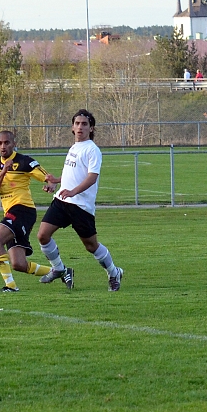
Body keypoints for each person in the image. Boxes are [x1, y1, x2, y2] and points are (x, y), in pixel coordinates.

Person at [36, 109, 123, 291]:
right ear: (72, 127)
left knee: (91, 246)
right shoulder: (74, 147)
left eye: (84, 124)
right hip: (62, 201)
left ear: (91, 128)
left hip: (81, 206)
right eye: (77, 123)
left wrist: (73, 191)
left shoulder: (92, 150)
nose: (80, 127)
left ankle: (114, 272)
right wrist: (56, 182)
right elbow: (72, 174)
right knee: (43, 235)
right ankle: (59, 268)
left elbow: (92, 177)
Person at [0, 130, 54, 292]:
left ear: (14, 144)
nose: (3, 146)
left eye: (7, 143)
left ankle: (10, 286)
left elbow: (46, 177)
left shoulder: (24, 161)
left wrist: (51, 185)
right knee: (18, 264)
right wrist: (3, 171)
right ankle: (60, 271)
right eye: (0, 143)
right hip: (10, 213)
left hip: (23, 210)